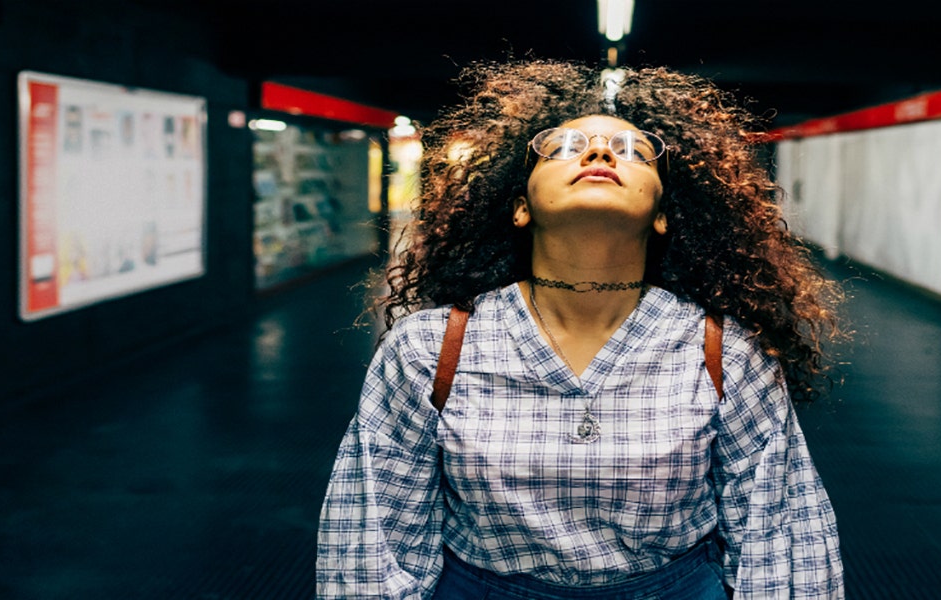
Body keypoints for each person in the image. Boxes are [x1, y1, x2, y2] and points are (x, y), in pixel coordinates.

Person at [317, 59, 846, 599]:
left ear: (662, 212)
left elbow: (777, 535)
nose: (599, 153)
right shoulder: (429, 349)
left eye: (635, 152)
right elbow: (376, 535)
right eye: (564, 147)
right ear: (521, 206)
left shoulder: (725, 351)